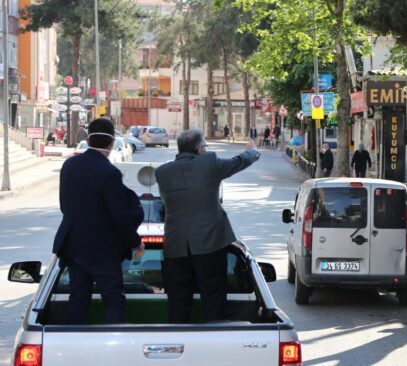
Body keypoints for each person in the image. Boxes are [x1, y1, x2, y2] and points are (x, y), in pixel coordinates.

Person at [155, 130, 260, 323]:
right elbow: (238, 162)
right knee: (213, 297)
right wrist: (253, 152)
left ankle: (178, 339)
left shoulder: (162, 172)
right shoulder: (209, 163)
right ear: (200, 148)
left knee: (178, 301)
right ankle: (212, 338)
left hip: (176, 246)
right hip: (209, 244)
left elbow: (166, 201)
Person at [52, 118, 144, 324]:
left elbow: (64, 206)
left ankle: (76, 341)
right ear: (111, 143)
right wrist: (135, 242)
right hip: (103, 250)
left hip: (74, 245)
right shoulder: (109, 172)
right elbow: (118, 215)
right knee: (112, 299)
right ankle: (112, 342)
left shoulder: (69, 165)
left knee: (78, 298)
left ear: (88, 139)